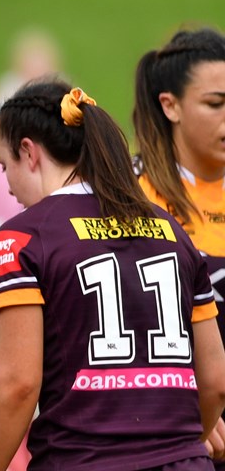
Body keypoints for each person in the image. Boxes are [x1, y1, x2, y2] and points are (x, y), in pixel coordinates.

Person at [0, 80, 225, 471]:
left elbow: (18, 386)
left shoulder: (24, 235)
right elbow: (215, 382)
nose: (7, 185)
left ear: (29, 151)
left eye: (5, 166)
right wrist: (183, 443)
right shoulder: (171, 229)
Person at [133, 27, 225, 464]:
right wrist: (200, 416)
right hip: (172, 433)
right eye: (216, 104)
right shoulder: (130, 197)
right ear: (169, 105)